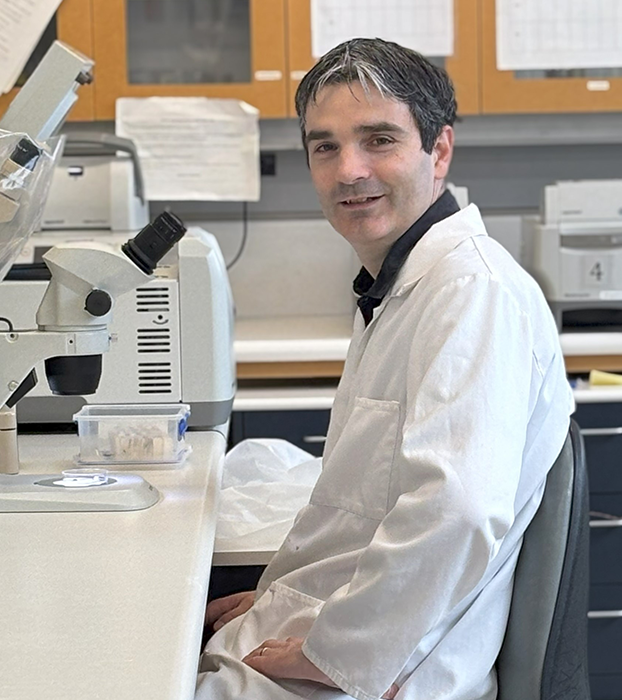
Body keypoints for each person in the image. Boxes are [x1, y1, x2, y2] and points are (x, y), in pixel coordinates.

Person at [196, 38, 573, 700]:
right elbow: (370, 505)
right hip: (356, 633)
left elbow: (456, 508)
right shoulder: (401, 285)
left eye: (378, 140)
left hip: (390, 671)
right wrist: (280, 593)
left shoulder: (471, 294)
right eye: (325, 146)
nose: (349, 170)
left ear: (440, 150)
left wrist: (331, 653)